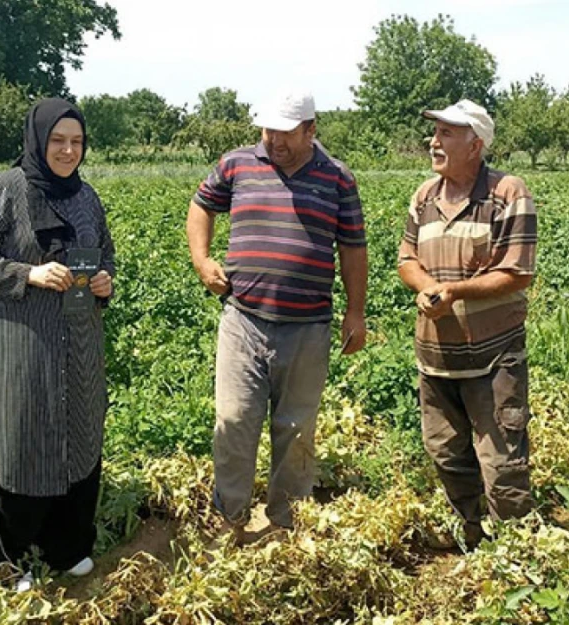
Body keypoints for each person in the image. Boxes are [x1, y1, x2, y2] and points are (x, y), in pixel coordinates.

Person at [185, 89, 368, 533]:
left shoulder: (338, 178)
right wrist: (202, 260)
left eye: (285, 132)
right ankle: (230, 520)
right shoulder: (237, 163)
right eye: (268, 130)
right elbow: (201, 206)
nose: (274, 140)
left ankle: (286, 523)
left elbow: (352, 247)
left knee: (296, 428)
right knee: (233, 422)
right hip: (243, 319)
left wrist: (356, 311)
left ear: (311, 129)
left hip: (307, 326)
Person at [0, 98, 114, 591]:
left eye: (77, 142)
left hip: (80, 341)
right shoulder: (5, 190)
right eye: (58, 141)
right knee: (24, 440)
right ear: (37, 140)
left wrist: (106, 281)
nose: (68, 151)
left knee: (80, 435)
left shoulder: (87, 198)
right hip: (24, 343)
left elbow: (105, 254)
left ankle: (67, 548)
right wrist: (29, 272)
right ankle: (8, 560)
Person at [396, 100, 537, 549]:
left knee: (502, 461)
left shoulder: (508, 193)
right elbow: (406, 259)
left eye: (446, 134)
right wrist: (425, 286)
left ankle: (516, 551)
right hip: (436, 359)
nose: (433, 142)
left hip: (493, 357)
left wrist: (454, 292)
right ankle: (472, 535)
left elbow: (518, 273)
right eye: (435, 133)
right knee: (445, 452)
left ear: (475, 145)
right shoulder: (425, 195)